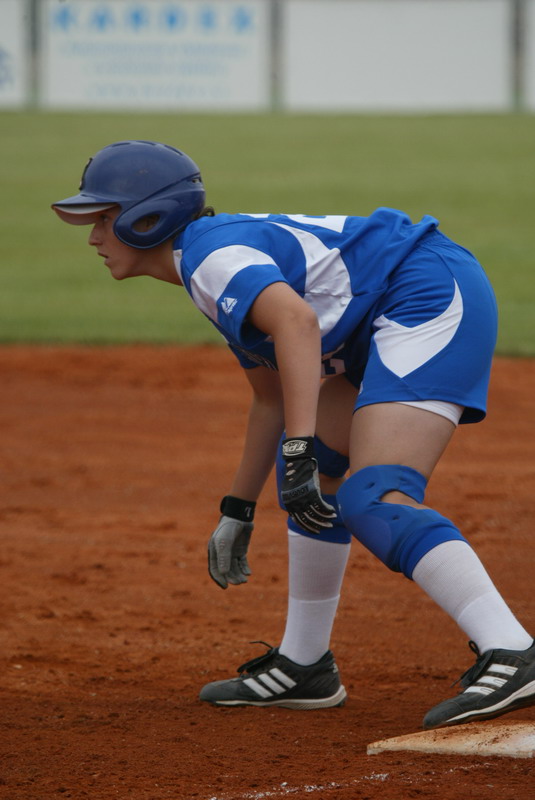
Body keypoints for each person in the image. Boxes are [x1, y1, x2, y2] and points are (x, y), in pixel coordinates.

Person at [52, 139, 535, 730]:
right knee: (315, 474)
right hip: (384, 311)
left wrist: (300, 447)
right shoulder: (204, 266)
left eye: (102, 219)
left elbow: (298, 323)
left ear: (145, 219)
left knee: (372, 494)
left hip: (424, 295)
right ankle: (306, 665)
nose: (93, 238)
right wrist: (238, 507)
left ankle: (512, 650)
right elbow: (270, 396)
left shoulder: (211, 260)